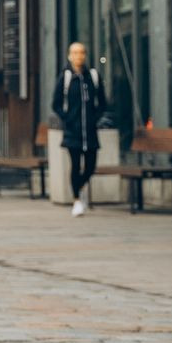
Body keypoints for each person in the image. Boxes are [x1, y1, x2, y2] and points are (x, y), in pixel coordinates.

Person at [53, 41, 108, 218]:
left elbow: (103, 102)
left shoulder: (93, 76)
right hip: (73, 132)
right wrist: (68, 119)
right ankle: (77, 200)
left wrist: (95, 119)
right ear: (70, 55)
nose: (79, 56)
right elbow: (56, 104)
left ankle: (80, 186)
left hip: (90, 131)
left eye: (82, 53)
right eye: (75, 53)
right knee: (75, 165)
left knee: (91, 166)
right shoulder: (66, 78)